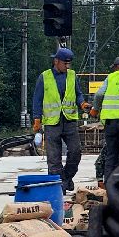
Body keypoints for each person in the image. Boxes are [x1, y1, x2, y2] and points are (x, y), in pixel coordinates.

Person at [30, 46, 83, 193]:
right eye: (65, 63)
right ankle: (57, 188)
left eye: (69, 64)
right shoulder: (44, 77)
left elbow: (78, 94)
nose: (68, 66)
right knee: (54, 158)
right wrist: (36, 118)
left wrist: (82, 102)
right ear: (56, 61)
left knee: (75, 151)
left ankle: (65, 178)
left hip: (69, 120)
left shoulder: (72, 76)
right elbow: (37, 99)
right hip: (52, 122)